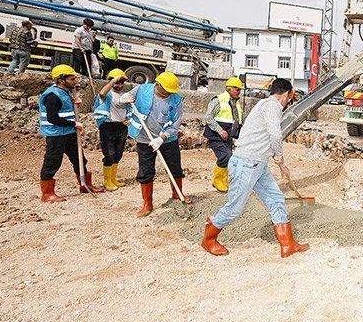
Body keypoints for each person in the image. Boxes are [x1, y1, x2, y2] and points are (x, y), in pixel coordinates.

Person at [202, 78, 310, 258]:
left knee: (276, 199)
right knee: (235, 207)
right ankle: (209, 239)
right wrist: (280, 159)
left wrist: (279, 163)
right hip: (246, 163)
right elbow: (275, 134)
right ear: (288, 94)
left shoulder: (266, 106)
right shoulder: (271, 106)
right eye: (291, 97)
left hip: (258, 164)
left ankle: (288, 244)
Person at [121, 71, 187, 217]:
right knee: (146, 171)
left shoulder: (176, 99)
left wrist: (162, 138)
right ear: (158, 84)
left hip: (167, 140)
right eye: (166, 90)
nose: (169, 94)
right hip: (144, 138)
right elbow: (123, 104)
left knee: (175, 168)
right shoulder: (141, 90)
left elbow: (175, 124)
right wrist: (123, 100)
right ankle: (147, 203)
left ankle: (177, 194)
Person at [38, 64, 105, 202]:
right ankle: (47, 193)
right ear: (61, 80)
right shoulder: (52, 96)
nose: (75, 82)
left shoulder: (66, 92)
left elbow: (66, 110)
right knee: (52, 162)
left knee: (79, 158)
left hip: (69, 133)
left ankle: (85, 184)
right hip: (56, 134)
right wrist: (74, 124)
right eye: (72, 79)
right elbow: (53, 118)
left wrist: (74, 103)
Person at [204, 77, 244, 192]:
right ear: (229, 89)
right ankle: (217, 181)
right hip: (216, 136)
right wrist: (220, 130)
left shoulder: (236, 102)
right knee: (225, 156)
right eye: (237, 89)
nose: (239, 92)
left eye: (240, 90)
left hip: (228, 136)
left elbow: (238, 119)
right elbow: (208, 117)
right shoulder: (218, 100)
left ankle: (224, 181)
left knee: (229, 158)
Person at [93, 68, 131, 191]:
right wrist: (113, 80)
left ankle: (113, 179)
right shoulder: (107, 94)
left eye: (121, 83)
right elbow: (102, 93)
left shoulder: (123, 95)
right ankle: (107, 181)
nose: (119, 85)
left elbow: (130, 108)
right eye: (117, 83)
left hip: (121, 125)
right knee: (109, 154)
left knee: (118, 153)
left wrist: (128, 119)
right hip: (108, 126)